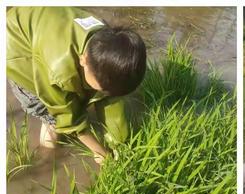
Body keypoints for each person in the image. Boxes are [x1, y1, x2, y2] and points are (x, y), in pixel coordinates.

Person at [7, 7, 147, 164]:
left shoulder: (108, 41)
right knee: (50, 118)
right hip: (16, 48)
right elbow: (66, 117)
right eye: (100, 89)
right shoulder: (58, 71)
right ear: (83, 60)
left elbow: (110, 99)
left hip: (43, 23)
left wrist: (119, 143)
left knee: (89, 94)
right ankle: (47, 158)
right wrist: (99, 152)